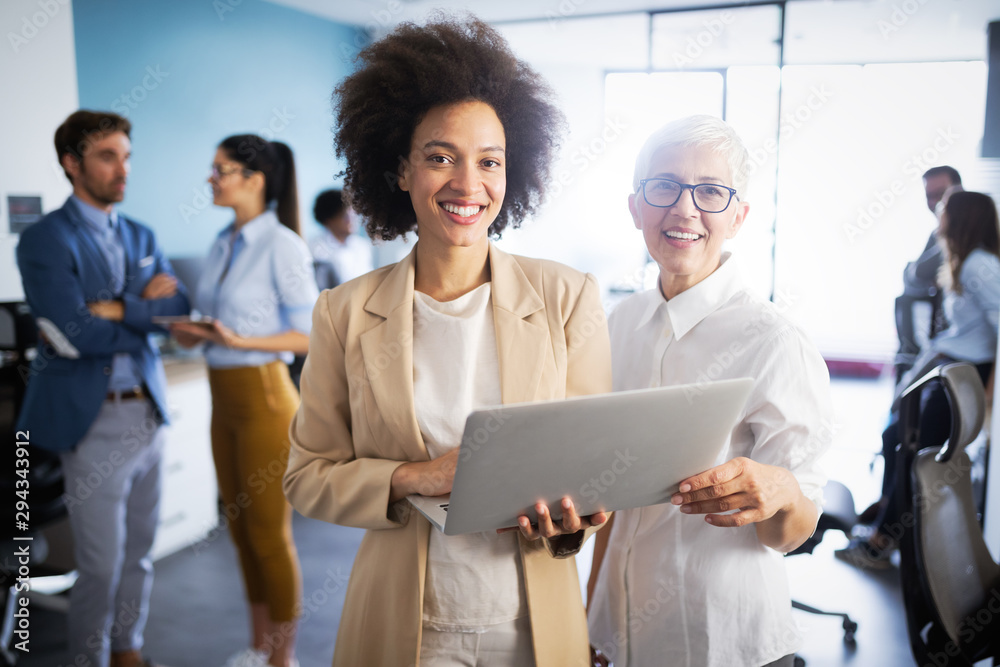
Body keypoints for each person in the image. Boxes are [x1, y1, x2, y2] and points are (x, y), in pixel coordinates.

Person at [282, 17, 612, 667]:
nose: (468, 183)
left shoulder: (567, 296)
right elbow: (307, 478)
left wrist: (579, 512)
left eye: (489, 161)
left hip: (534, 622)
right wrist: (414, 477)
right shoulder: (344, 312)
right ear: (401, 169)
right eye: (440, 156)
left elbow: (592, 470)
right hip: (407, 620)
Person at [586, 115, 833, 667]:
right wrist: (592, 620)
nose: (684, 208)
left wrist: (783, 491)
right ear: (636, 208)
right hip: (619, 635)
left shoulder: (774, 341)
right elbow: (612, 501)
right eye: (664, 186)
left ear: (739, 217)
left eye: (712, 192)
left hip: (723, 641)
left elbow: (793, 531)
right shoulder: (617, 324)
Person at [16, 110, 190, 667]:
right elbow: (75, 331)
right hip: (92, 421)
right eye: (108, 156)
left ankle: (127, 648)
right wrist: (144, 311)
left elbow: (177, 309)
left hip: (148, 413)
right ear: (73, 164)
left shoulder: (140, 233)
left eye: (127, 156)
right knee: (100, 564)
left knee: (141, 553)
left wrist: (119, 309)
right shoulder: (46, 239)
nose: (123, 170)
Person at [170, 136, 318, 667]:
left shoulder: (282, 244)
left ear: (254, 179)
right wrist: (198, 333)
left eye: (221, 169)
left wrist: (239, 340)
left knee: (268, 534)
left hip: (265, 401)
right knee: (238, 530)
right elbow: (220, 323)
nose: (211, 178)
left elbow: (309, 336)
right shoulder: (221, 241)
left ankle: (284, 660)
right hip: (222, 397)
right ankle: (259, 649)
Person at [837, 190, 999, 568]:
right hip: (950, 366)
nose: (937, 216)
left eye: (943, 211)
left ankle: (884, 540)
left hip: (964, 375)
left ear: (961, 218)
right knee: (895, 436)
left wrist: (988, 396)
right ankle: (884, 515)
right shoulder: (966, 260)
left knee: (916, 452)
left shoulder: (980, 265)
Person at [894, 166, 963, 383]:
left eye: (941, 194)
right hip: (934, 341)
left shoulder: (965, 237)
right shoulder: (937, 235)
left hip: (953, 347)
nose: (935, 203)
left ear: (957, 192)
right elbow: (913, 276)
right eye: (929, 196)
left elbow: (918, 272)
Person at [308, 188, 373, 289]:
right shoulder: (314, 249)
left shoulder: (362, 246)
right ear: (329, 220)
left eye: (353, 214)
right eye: (345, 216)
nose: (351, 220)